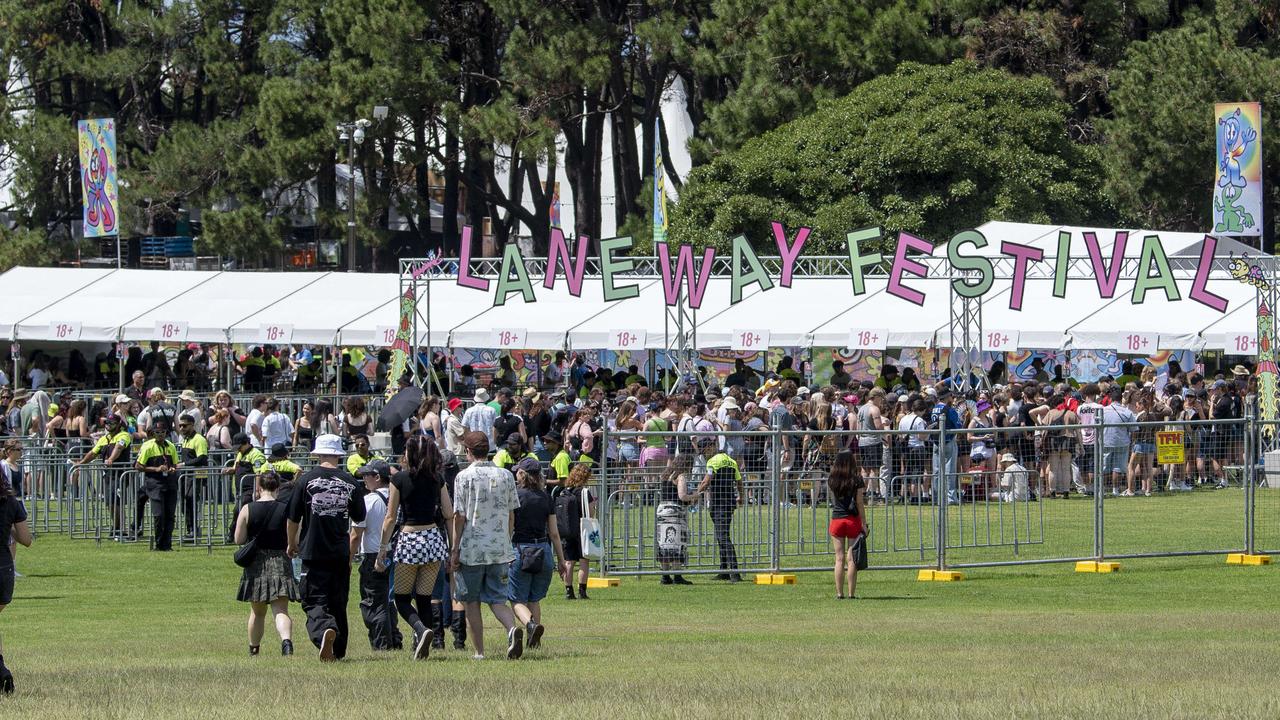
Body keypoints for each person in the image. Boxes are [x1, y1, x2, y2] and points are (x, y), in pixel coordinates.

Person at [286, 434, 366, 661]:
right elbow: (359, 517)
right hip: (340, 551)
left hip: (312, 550)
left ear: (318, 454)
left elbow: (292, 518)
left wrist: (292, 544)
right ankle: (338, 650)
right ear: (339, 455)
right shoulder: (350, 482)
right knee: (338, 601)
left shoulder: (305, 480)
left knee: (313, 599)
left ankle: (324, 631)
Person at [375, 436, 454, 660]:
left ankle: (421, 631)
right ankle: (423, 648)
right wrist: (452, 546)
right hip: (433, 539)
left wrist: (382, 548)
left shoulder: (399, 478)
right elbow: (448, 514)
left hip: (409, 540)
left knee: (400, 598)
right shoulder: (437, 479)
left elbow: (391, 517)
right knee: (424, 597)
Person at [450, 430, 525, 660]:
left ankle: (479, 652)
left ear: (468, 451)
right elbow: (512, 513)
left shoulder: (463, 477)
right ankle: (512, 631)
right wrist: (507, 540)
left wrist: (454, 549)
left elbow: (459, 516)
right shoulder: (505, 475)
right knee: (497, 599)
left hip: (472, 549)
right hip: (499, 547)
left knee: (471, 602)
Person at [234, 470, 298, 657]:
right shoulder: (285, 508)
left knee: (257, 612)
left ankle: (254, 649)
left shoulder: (248, 508)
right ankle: (286, 643)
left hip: (256, 563)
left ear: (259, 487)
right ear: (278, 487)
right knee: (281, 609)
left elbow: (239, 539)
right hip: (280, 561)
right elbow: (295, 538)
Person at [508, 457, 566, 652]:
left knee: (516, 599)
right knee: (534, 599)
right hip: (543, 550)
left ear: (523, 474)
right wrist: (562, 560)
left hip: (521, 550)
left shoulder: (515, 496)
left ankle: (531, 626)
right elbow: (554, 533)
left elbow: (510, 529)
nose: (516, 473)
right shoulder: (546, 497)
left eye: (518, 471)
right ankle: (535, 643)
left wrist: (506, 552)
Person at [349, 461, 404, 652]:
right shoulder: (397, 495)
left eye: (367, 475)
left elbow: (356, 534)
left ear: (377, 477)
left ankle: (381, 644)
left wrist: (348, 559)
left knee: (373, 601)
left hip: (374, 555)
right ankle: (395, 638)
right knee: (390, 601)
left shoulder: (369, 500)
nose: (364, 479)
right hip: (398, 553)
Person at [74, 414, 133, 538]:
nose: (108, 425)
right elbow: (93, 453)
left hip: (120, 474)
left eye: (111, 423)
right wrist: (81, 463)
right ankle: (116, 527)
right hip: (108, 475)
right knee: (109, 502)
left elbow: (119, 447)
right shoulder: (104, 439)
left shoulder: (124, 436)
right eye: (107, 423)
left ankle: (120, 529)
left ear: (118, 425)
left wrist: (111, 459)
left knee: (116, 502)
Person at [0, 468, 32, 694]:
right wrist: (8, 524)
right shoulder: (12, 503)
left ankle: (2, 672)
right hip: (4, 569)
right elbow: (26, 540)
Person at [696, 437, 744, 582]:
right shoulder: (731, 460)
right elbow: (739, 481)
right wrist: (741, 497)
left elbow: (706, 481)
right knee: (721, 535)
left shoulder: (713, 461)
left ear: (710, 447)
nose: (704, 455)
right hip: (729, 502)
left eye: (704, 452)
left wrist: (695, 493)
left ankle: (734, 572)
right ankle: (723, 570)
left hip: (718, 503)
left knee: (723, 536)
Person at [134, 418, 181, 551]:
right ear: (153, 433)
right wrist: (156, 469)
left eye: (162, 432)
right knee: (159, 514)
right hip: (155, 483)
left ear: (166, 432)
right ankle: (159, 544)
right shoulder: (148, 446)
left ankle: (168, 544)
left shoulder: (170, 446)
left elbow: (175, 464)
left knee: (170, 515)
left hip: (170, 483)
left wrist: (172, 469)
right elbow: (138, 466)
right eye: (157, 432)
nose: (160, 434)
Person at [826, 450, 866, 599]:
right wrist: (864, 523)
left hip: (837, 519)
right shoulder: (857, 480)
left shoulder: (832, 479)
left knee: (839, 559)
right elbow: (860, 503)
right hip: (852, 520)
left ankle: (839, 593)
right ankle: (851, 593)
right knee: (851, 559)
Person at [555, 462, 597, 598]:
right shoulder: (585, 492)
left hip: (567, 530)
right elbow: (591, 512)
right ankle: (582, 592)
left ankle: (568, 591)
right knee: (583, 560)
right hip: (582, 530)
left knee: (569, 561)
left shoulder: (564, 491)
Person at [656, 454, 696, 585]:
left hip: (662, 511)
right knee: (677, 543)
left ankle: (665, 575)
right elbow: (682, 495)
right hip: (675, 512)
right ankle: (677, 575)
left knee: (664, 542)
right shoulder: (681, 476)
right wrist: (695, 496)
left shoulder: (666, 474)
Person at [176, 415, 209, 541]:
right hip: (186, 475)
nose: (182, 428)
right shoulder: (186, 439)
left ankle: (194, 529)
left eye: (185, 425)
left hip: (195, 475)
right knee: (185, 502)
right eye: (180, 426)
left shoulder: (199, 439)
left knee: (191, 500)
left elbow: (202, 458)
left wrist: (183, 464)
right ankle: (190, 528)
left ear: (192, 425)